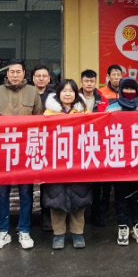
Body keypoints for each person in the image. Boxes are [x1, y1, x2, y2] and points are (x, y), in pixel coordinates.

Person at [0, 59, 43, 250]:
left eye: (18, 72)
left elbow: (39, 119)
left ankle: (24, 230)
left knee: (26, 192)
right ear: (7, 73)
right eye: (12, 72)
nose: (15, 75)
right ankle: (3, 231)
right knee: (3, 192)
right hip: (3, 150)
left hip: (25, 149)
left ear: (24, 73)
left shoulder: (33, 92)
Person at [42, 79, 93, 249]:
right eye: (64, 91)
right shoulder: (48, 113)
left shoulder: (85, 113)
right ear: (58, 93)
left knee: (79, 196)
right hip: (55, 162)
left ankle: (78, 233)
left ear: (76, 94)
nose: (68, 94)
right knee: (56, 197)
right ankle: (59, 234)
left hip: (78, 161)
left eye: (71, 91)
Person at [106, 78, 138, 246]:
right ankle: (122, 227)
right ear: (121, 90)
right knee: (120, 196)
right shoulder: (111, 109)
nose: (129, 92)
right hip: (118, 159)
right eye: (127, 89)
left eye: (133, 89)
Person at [80, 69, 110, 227]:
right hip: (78, 145)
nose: (89, 84)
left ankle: (95, 214)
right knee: (80, 182)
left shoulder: (103, 100)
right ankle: (79, 216)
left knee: (97, 182)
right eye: (86, 81)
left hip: (98, 145)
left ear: (95, 82)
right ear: (81, 82)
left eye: (92, 81)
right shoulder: (74, 99)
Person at [32, 64, 55, 231]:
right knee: (26, 179)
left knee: (48, 180)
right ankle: (26, 218)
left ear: (49, 78)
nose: (41, 79)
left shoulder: (55, 95)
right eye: (38, 76)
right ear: (33, 78)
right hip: (29, 140)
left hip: (49, 141)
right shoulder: (26, 93)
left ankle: (46, 214)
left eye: (44, 76)